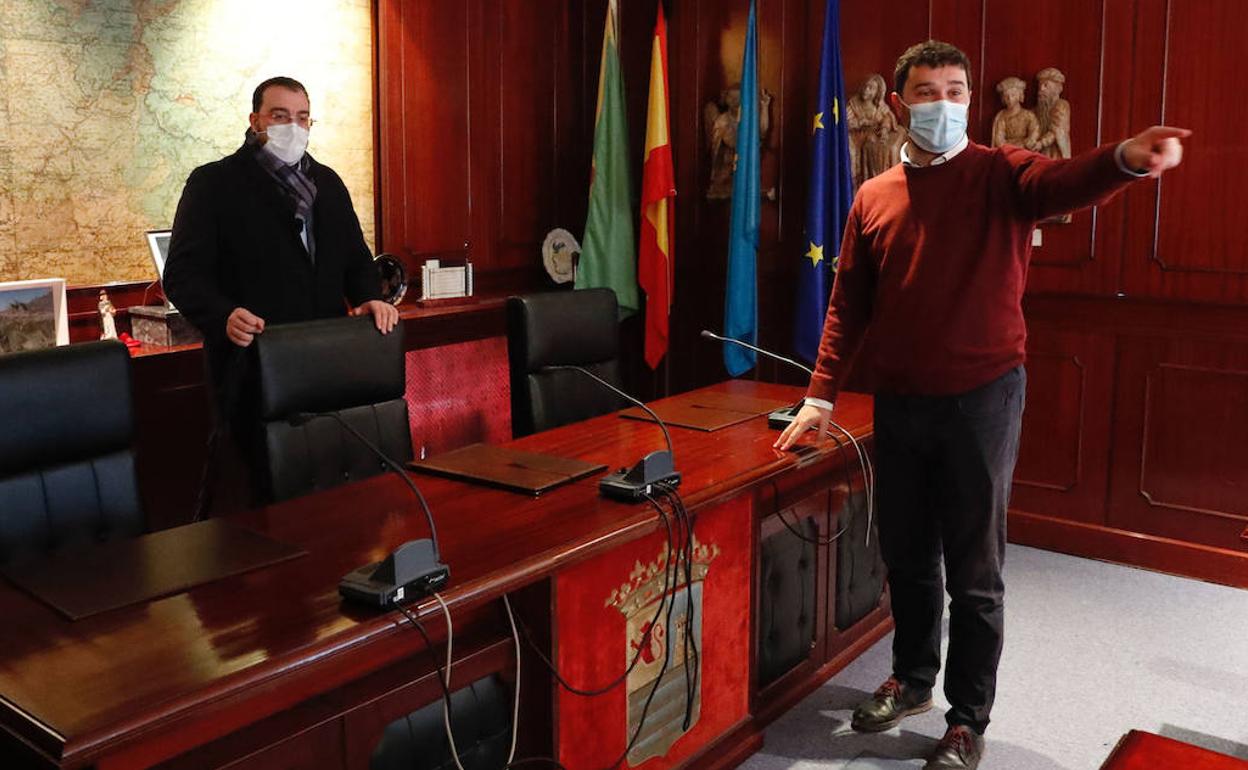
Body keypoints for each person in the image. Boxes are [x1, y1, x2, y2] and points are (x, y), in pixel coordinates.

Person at [774, 40, 1188, 770]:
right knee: (905, 556)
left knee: (975, 570)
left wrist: (1124, 157)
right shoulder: (872, 196)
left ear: (971, 100)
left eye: (956, 90)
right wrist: (820, 395)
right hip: (901, 403)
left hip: (983, 399)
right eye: (927, 92)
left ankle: (967, 720)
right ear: (900, 104)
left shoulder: (1003, 174)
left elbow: (1067, 179)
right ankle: (911, 680)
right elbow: (847, 306)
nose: (943, 103)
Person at [163, 76, 398, 503]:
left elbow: (355, 260)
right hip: (252, 368)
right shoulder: (215, 184)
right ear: (255, 121)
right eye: (280, 116)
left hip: (324, 366)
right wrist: (222, 314)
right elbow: (181, 273)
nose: (294, 126)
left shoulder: (326, 183)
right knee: (267, 501)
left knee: (334, 497)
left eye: (303, 118)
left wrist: (370, 297)